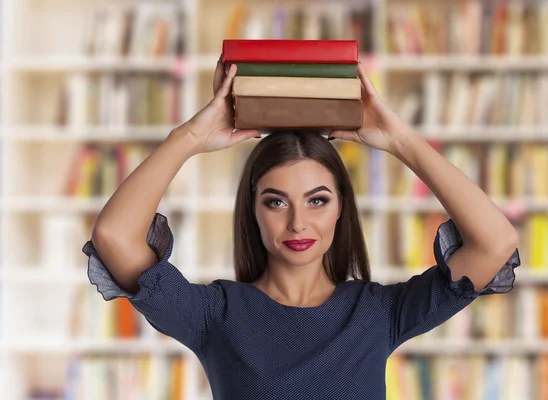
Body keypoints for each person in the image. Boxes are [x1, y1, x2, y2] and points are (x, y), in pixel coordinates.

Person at [82, 56, 521, 399]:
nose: (298, 222)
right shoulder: (214, 314)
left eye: (317, 200)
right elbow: (115, 237)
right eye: (276, 202)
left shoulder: (378, 313)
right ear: (252, 210)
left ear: (340, 210)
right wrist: (189, 139)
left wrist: (401, 140)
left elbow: (494, 243)